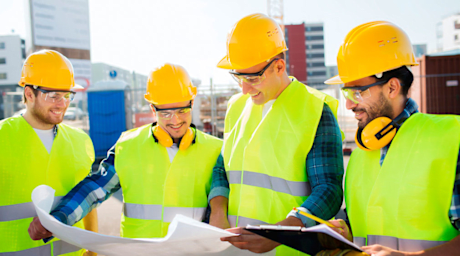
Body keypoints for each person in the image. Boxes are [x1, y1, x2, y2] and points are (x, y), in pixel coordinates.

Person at [28, 63, 223, 240]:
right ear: (152, 108)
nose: (175, 120)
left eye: (182, 110)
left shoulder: (215, 150)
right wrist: (58, 219)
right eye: (165, 113)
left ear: (192, 102)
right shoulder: (128, 145)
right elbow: (94, 190)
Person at [209, 13, 344, 255]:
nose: (244, 88)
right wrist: (218, 210)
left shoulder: (315, 111)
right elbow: (222, 167)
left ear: (279, 66)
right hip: (235, 250)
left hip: (289, 249)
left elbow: (329, 189)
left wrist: (281, 232)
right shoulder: (236, 106)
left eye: (252, 78)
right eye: (238, 76)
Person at [324, 21, 460, 255]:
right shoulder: (359, 156)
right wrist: (345, 233)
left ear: (392, 88)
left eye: (357, 91)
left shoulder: (451, 139)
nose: (348, 104)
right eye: (346, 92)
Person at [0, 49, 98, 256]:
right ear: (29, 94)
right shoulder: (2, 136)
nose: (62, 104)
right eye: (54, 96)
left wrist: (92, 250)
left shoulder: (80, 141)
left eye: (67, 95)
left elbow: (89, 199)